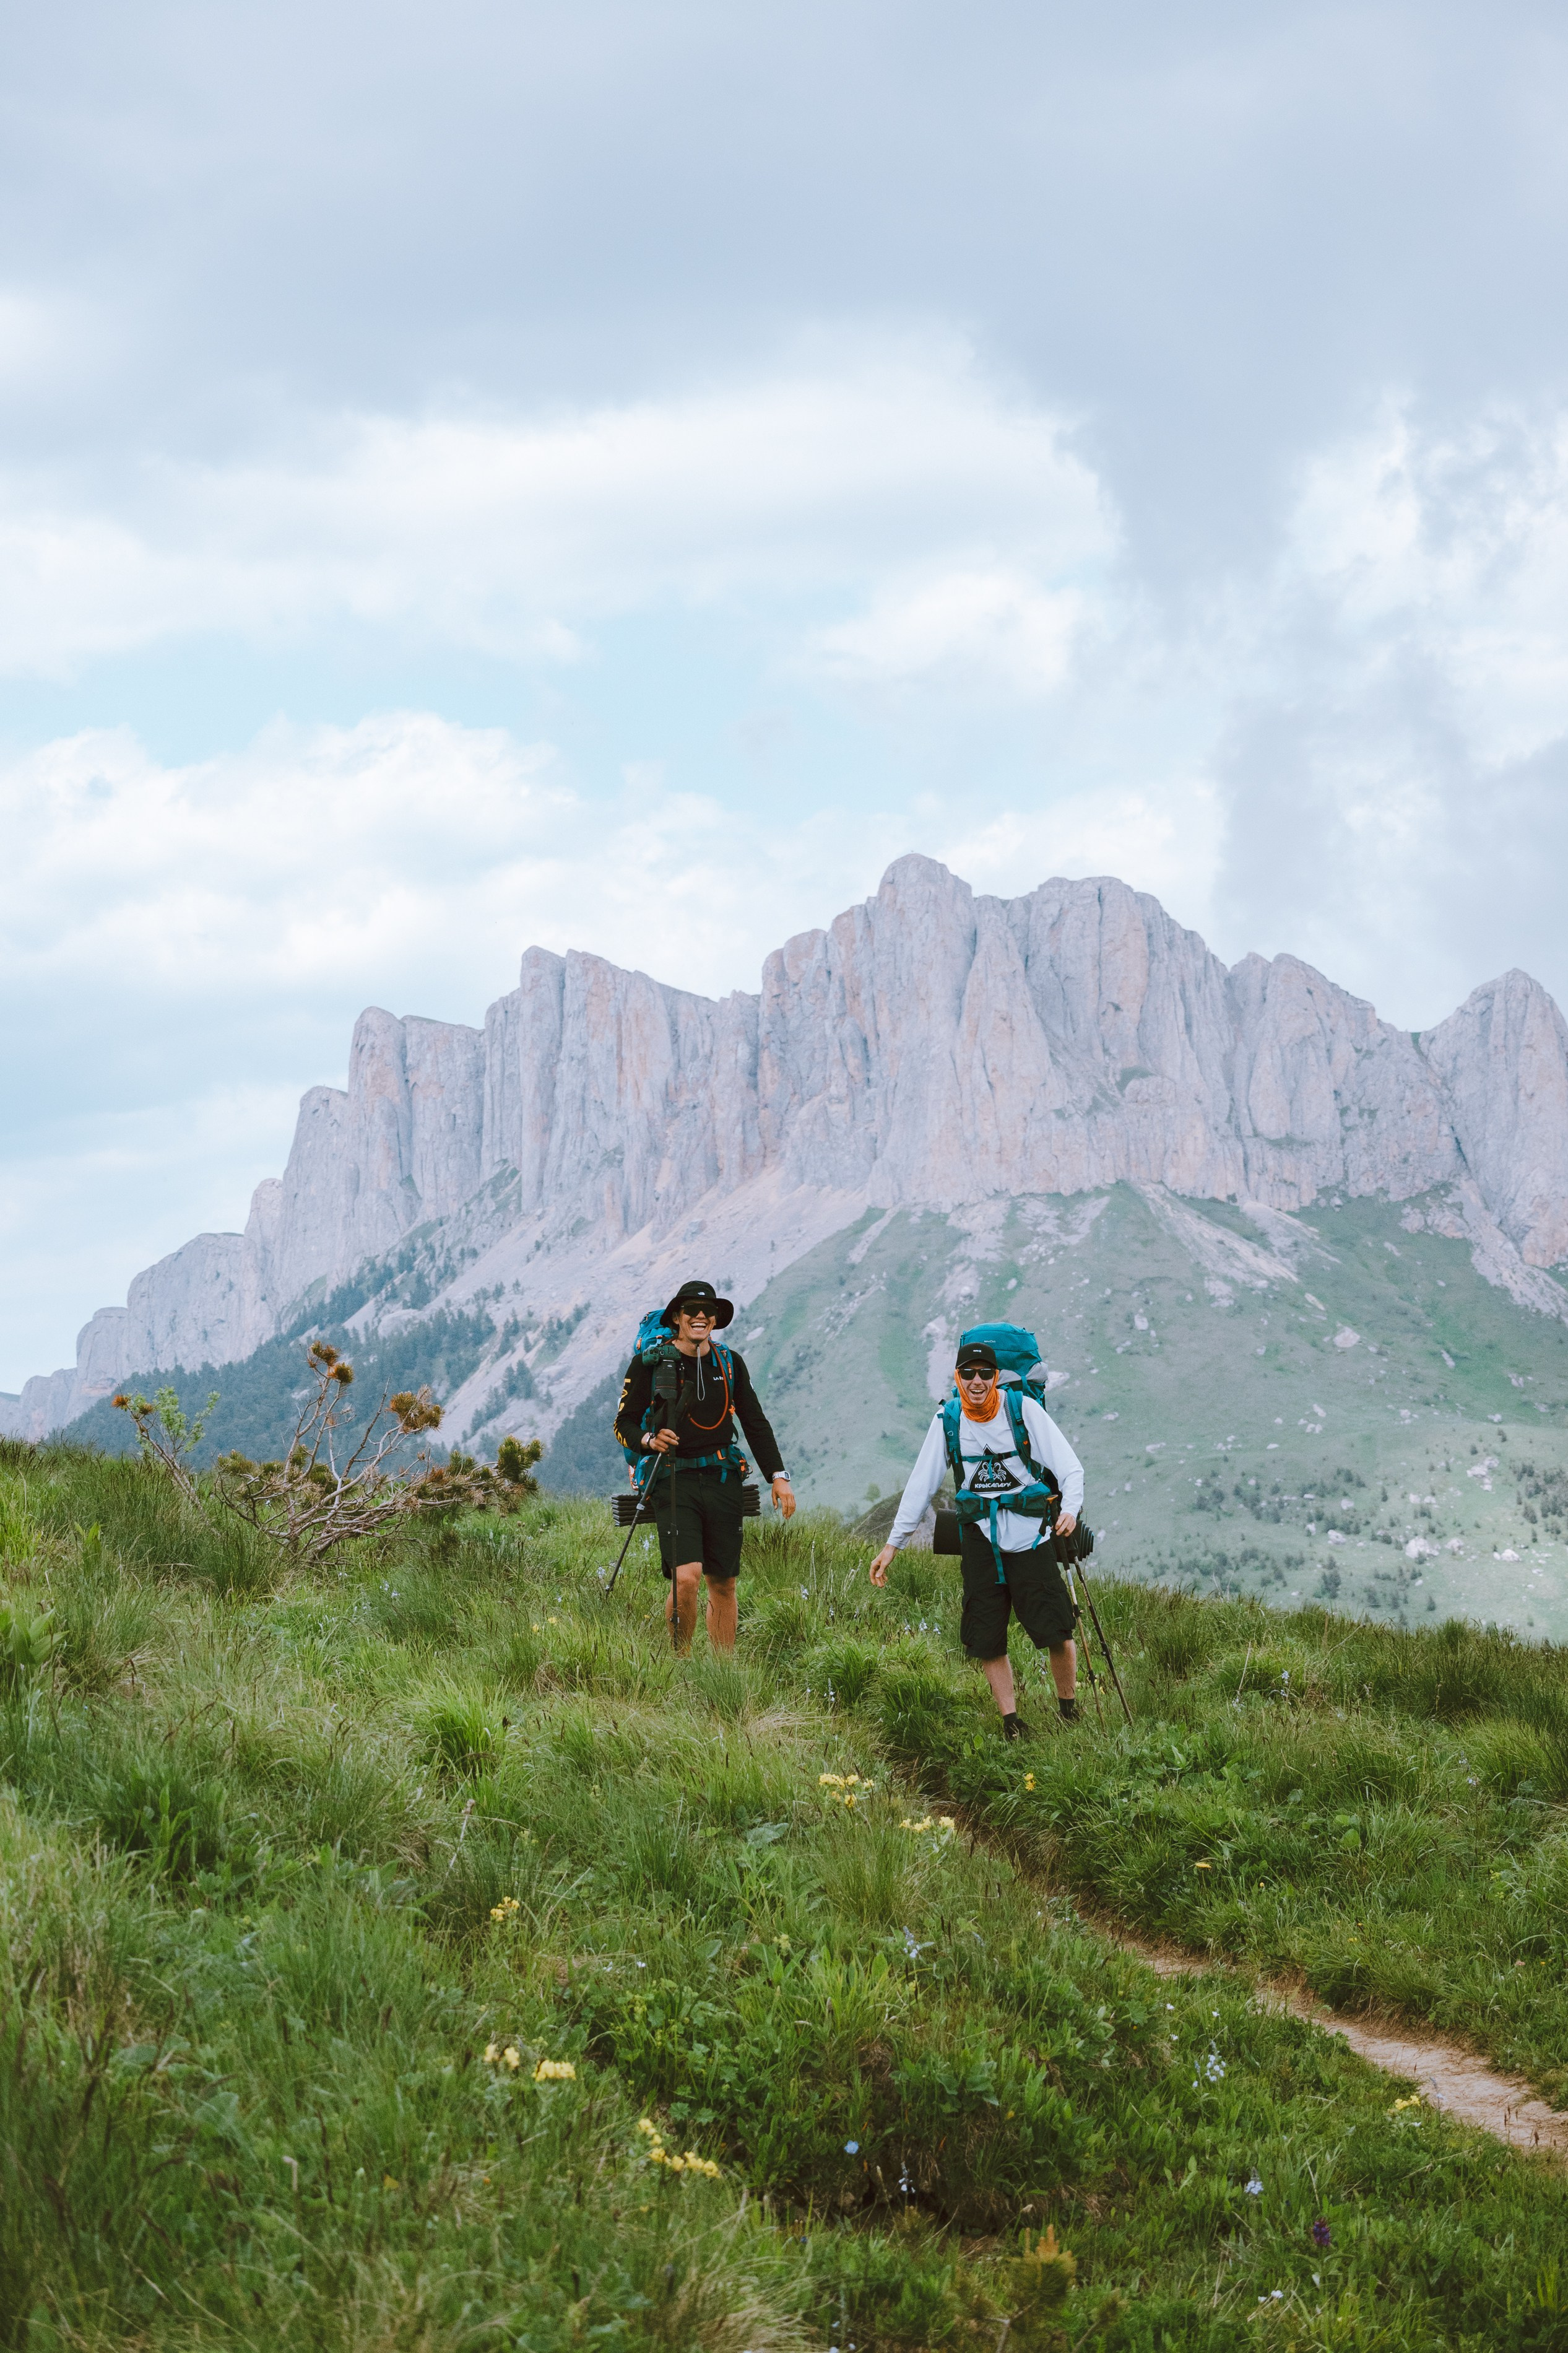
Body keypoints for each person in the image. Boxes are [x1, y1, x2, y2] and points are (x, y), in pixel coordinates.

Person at [869, 1340, 1085, 1736]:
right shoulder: (948, 1420)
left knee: (1056, 1628)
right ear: (957, 1377)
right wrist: (892, 1545)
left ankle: (1069, 1711)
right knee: (987, 1636)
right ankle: (1011, 1722)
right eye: (968, 1373)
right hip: (981, 1542)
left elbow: (1069, 1466)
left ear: (997, 1377)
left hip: (1031, 1537)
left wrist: (1070, 1508)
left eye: (985, 1372)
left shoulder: (1023, 1410)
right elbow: (922, 1484)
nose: (977, 1380)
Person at [614, 1279, 795, 1651]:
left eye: (708, 1311)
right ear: (677, 1318)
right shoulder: (649, 1364)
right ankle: (680, 1664)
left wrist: (778, 1476)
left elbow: (755, 1422)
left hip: (722, 1477)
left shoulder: (730, 1363)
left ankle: (722, 1674)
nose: (700, 1316)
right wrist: (649, 1441)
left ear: (715, 1319)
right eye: (691, 1311)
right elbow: (623, 1424)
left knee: (724, 1582)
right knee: (687, 1577)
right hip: (672, 1476)